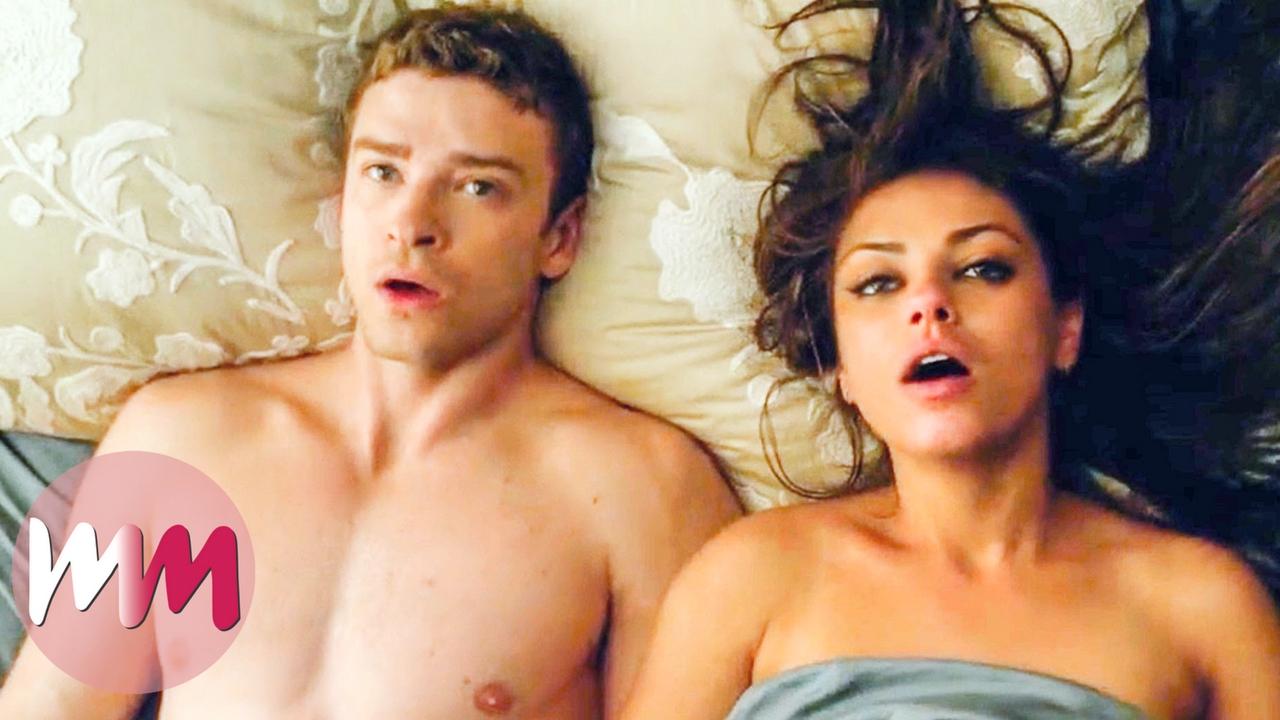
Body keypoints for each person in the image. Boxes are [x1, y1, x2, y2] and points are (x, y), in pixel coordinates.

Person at [0, 5, 740, 719]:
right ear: (343, 199)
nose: (412, 225)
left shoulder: (644, 489)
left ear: (559, 237)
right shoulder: (175, 439)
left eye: (478, 187)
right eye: (384, 173)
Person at [621, 1, 1280, 718]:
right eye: (879, 283)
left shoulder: (1201, 604)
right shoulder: (751, 576)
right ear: (841, 368)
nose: (929, 303)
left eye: (983, 268)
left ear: (1065, 329)